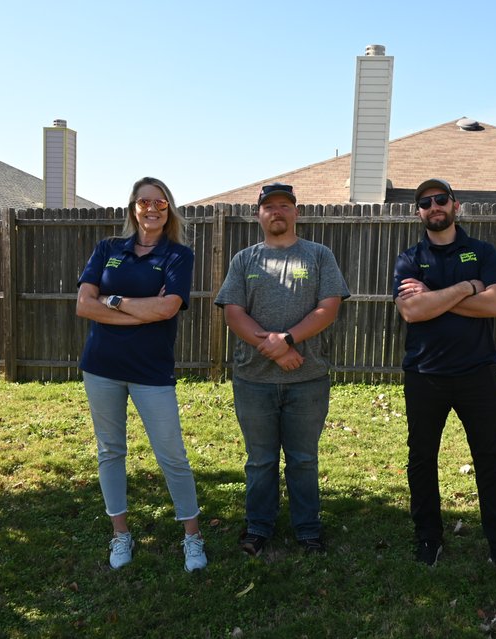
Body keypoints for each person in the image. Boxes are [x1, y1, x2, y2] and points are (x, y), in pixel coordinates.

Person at [392, 178, 496, 591]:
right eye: (426, 202)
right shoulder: (409, 258)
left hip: (478, 375)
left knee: (490, 462)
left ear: (456, 205)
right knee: (422, 459)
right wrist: (466, 287)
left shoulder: (483, 251)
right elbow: (412, 312)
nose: (434, 207)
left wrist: (435, 296)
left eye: (441, 199)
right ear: (418, 212)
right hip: (424, 375)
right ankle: (428, 539)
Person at [76, 176, 207, 572]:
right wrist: (140, 311)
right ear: (133, 207)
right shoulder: (108, 249)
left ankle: (192, 537)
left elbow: (168, 309)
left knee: (172, 455)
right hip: (101, 368)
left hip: (152, 371)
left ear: (169, 209)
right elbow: (84, 304)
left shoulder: (178, 255)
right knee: (110, 451)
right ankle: (120, 534)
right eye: (144, 202)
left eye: (160, 202)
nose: (152, 209)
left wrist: (112, 302)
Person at [214, 183, 350, 556]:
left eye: (284, 206)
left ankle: (307, 530)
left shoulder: (319, 255)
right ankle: (258, 527)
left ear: (296, 212)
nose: (277, 211)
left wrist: (286, 339)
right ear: (258, 214)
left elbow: (329, 307)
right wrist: (272, 349)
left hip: (307, 378)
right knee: (260, 460)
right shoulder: (244, 260)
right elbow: (233, 312)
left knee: (304, 459)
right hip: (253, 379)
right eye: (269, 206)